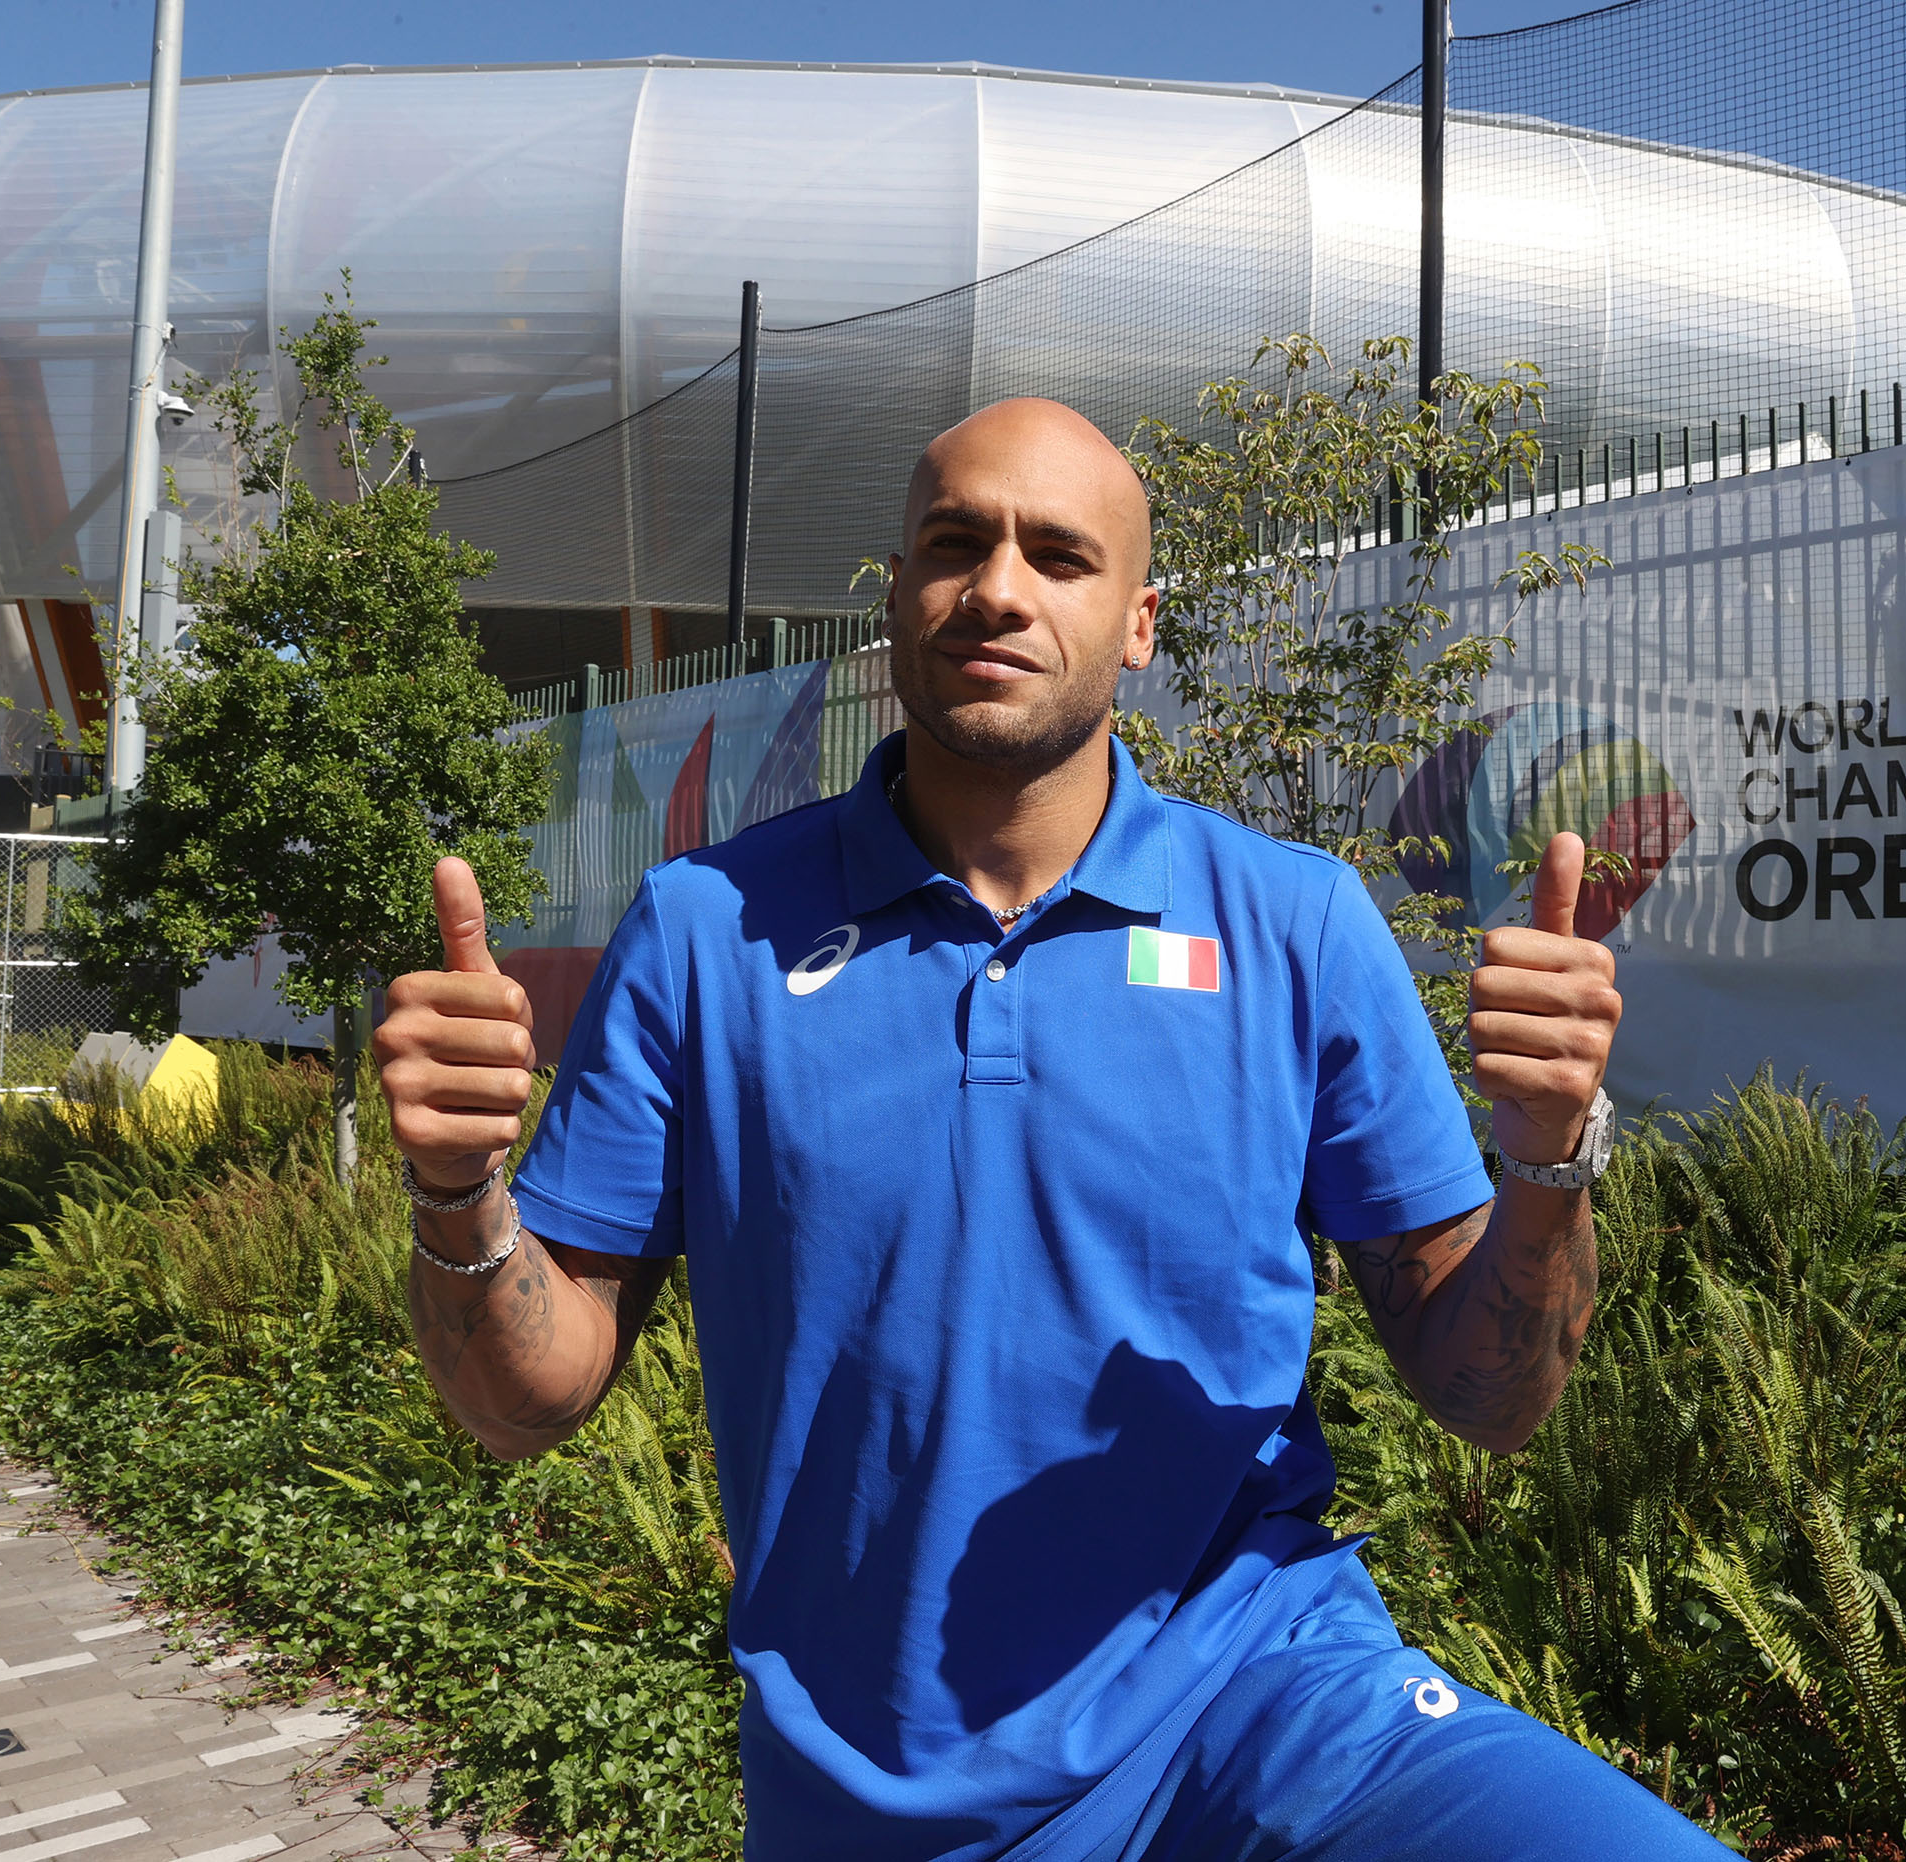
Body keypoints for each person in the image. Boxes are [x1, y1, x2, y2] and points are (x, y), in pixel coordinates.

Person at [375, 399, 1730, 1862]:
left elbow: (1492, 1398)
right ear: (896, 593)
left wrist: (1545, 1159)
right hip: (873, 1800)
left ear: (1138, 622)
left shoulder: (1295, 924)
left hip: (1264, 1703)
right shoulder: (707, 933)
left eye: (1060, 556)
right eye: (955, 544)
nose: (999, 589)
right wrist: (459, 1194)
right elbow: (526, 1402)